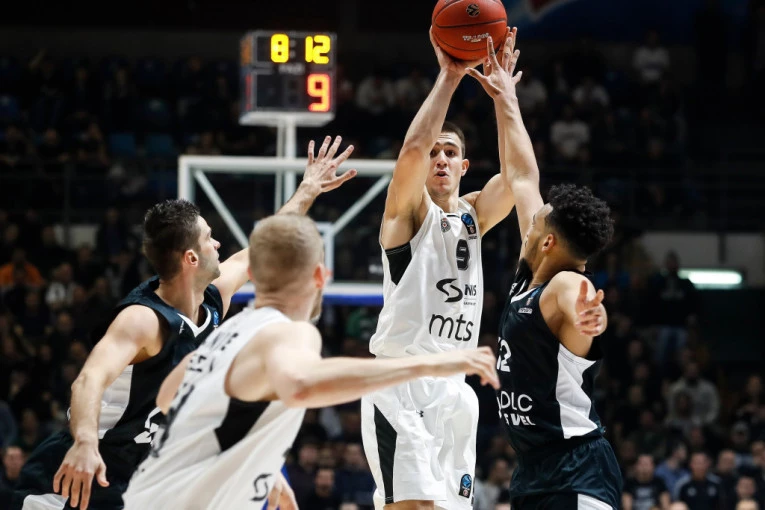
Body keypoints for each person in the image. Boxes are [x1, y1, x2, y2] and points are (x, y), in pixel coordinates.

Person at [6, 136, 357, 510]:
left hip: (141, 477)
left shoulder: (213, 298)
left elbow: (264, 246)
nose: (218, 244)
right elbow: (89, 378)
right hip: (81, 473)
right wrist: (85, 442)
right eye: (209, 238)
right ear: (191, 258)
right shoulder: (143, 320)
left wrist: (308, 189)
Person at [359, 27, 606, 510]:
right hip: (402, 381)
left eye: (450, 152)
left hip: (456, 389)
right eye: (435, 152)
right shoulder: (407, 216)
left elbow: (520, 178)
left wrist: (503, 98)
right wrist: (450, 77)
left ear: (465, 166)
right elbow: (411, 152)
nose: (439, 159)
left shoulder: (473, 215)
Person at [121, 214, 500, 510]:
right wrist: (429, 365)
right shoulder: (291, 332)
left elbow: (168, 397)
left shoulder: (227, 333)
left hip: (147, 494)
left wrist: (258, 462)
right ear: (321, 275)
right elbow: (301, 385)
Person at [466, 31, 621, 508]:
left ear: (548, 240)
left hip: (577, 470)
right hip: (534, 471)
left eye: (538, 219)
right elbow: (521, 176)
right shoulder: (529, 275)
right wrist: (505, 97)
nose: (530, 219)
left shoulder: (565, 284)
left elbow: (582, 304)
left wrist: (592, 318)